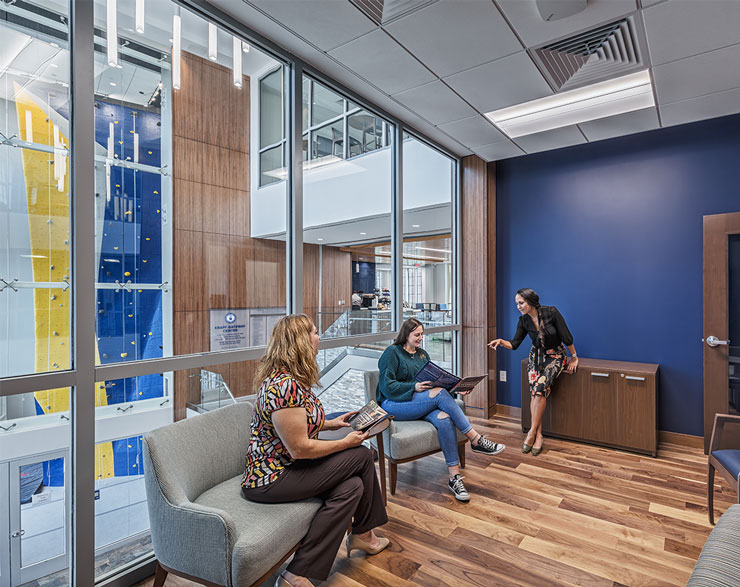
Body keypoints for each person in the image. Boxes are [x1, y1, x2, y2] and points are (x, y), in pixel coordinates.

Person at [242, 314, 389, 587]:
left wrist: (333, 424)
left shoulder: (292, 380)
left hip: (289, 467)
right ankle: (365, 534)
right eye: (314, 332)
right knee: (360, 455)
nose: (319, 336)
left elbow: (300, 424)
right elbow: (299, 448)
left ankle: (296, 573)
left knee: (352, 487)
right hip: (270, 478)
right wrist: (345, 442)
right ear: (299, 342)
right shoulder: (284, 386)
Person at [377, 318, 506, 502]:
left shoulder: (422, 355)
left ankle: (454, 478)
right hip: (394, 404)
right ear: (406, 334)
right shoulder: (392, 353)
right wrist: (413, 387)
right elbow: (386, 386)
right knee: (439, 394)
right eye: (416, 335)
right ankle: (476, 439)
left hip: (419, 403)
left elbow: (434, 384)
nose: (420, 338)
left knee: (444, 417)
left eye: (422, 334)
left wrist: (457, 390)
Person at [488, 288, 578, 456]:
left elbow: (566, 336)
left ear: (530, 302)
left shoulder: (551, 312)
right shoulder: (523, 321)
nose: (518, 306)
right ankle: (538, 435)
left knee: (539, 389)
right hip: (535, 357)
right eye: (516, 304)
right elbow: (514, 344)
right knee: (535, 393)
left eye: (521, 303)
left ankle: (531, 432)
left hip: (555, 356)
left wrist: (574, 356)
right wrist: (501, 341)